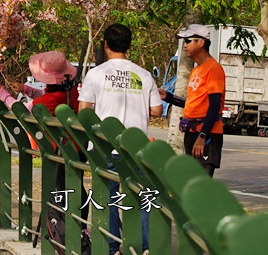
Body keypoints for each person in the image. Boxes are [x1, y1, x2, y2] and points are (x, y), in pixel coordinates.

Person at [78, 23, 162, 255]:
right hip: (136, 147)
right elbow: (157, 111)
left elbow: (84, 110)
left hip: (106, 146)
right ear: (129, 45)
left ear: (105, 45)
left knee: (109, 195)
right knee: (142, 193)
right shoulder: (143, 75)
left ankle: (112, 247)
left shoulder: (96, 74)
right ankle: (144, 247)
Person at [159, 23, 226, 177]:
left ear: (201, 42)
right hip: (191, 132)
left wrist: (203, 136)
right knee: (190, 181)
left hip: (206, 134)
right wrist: (168, 97)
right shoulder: (196, 70)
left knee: (201, 185)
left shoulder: (213, 69)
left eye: (188, 41)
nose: (185, 46)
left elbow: (214, 105)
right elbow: (192, 103)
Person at [0, 51, 80, 114]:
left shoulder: (52, 99)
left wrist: (2, 93)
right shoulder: (71, 90)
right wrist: (25, 89)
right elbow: (43, 94)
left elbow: (22, 109)